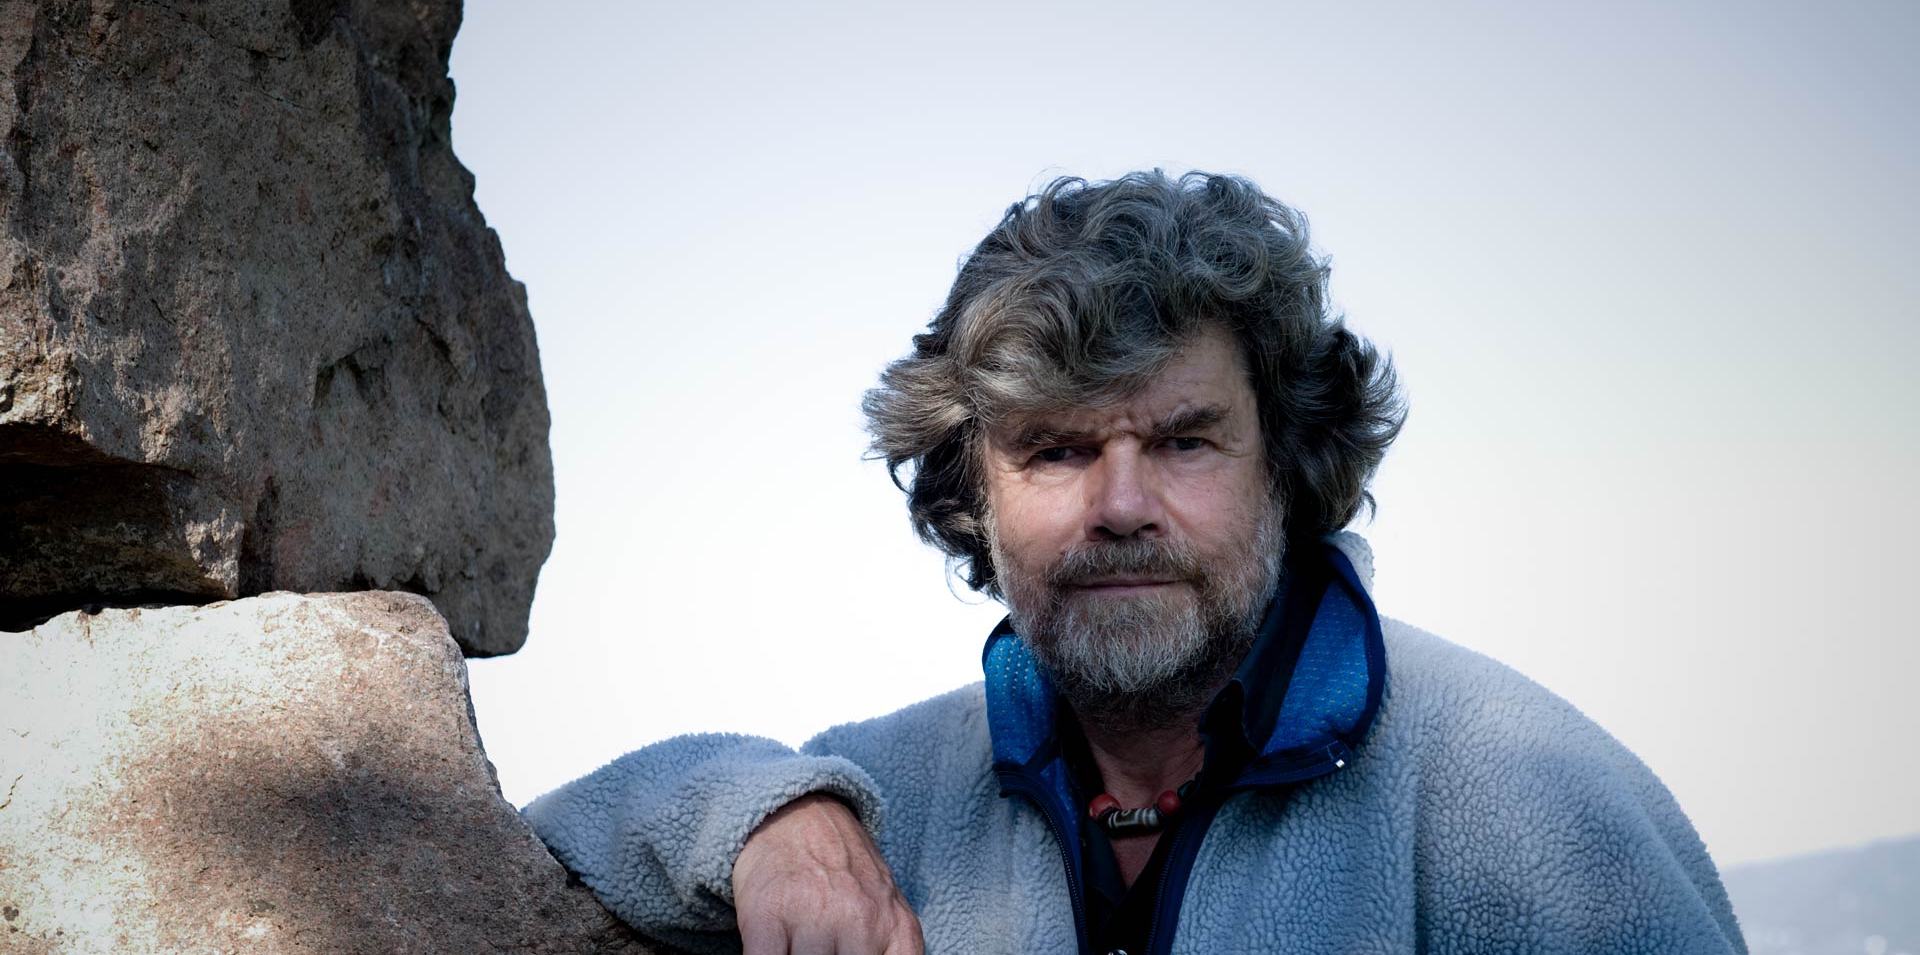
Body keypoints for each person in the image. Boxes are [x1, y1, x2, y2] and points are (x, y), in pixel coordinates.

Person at [523, 171, 1747, 955]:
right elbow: (539, 846)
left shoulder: (1512, 794)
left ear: (1288, 460)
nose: (1120, 506)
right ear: (973, 494)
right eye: (1054, 450)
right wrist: (771, 819)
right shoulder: (886, 794)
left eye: (1181, 441)